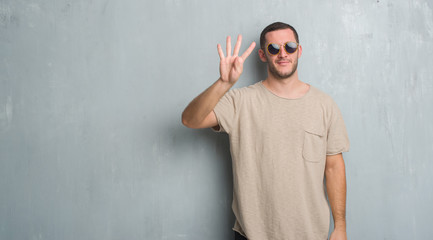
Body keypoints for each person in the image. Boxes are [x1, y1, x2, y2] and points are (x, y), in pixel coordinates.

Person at [182, 22, 350, 240]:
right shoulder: (241, 101)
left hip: (310, 234)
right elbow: (190, 120)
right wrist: (224, 83)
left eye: (289, 46)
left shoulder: (324, 105)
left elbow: (334, 167)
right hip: (252, 235)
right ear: (263, 55)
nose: (283, 53)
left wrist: (340, 227)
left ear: (299, 50)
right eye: (274, 48)